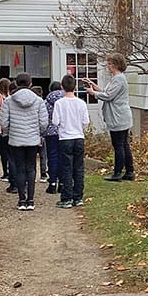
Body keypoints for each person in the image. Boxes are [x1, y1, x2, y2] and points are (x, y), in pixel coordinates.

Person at [0, 72, 47, 210]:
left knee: (20, 168)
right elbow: (44, 122)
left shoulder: (9, 101)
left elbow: (4, 122)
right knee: (31, 168)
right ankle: (30, 200)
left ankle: (21, 200)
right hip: (33, 139)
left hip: (16, 138)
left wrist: (8, 132)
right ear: (30, 83)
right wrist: (38, 133)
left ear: (16, 83)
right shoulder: (38, 101)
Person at [85, 54, 134, 182]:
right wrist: (94, 86)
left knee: (119, 145)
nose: (108, 66)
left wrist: (93, 93)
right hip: (121, 116)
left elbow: (108, 96)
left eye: (110, 64)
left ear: (116, 65)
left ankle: (118, 173)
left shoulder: (118, 79)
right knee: (124, 144)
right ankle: (129, 171)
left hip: (118, 117)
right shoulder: (117, 79)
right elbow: (107, 92)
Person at [53, 74, 90, 208]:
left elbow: (55, 121)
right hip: (78, 137)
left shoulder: (59, 103)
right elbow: (86, 121)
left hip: (65, 138)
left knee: (66, 168)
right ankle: (78, 197)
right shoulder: (81, 103)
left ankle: (67, 197)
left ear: (62, 87)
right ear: (75, 87)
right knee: (78, 168)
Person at [43, 80, 64, 194]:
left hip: (51, 132)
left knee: (52, 157)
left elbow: (43, 118)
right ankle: (62, 183)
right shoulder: (66, 100)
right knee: (62, 157)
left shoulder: (46, 102)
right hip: (63, 132)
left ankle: (52, 182)